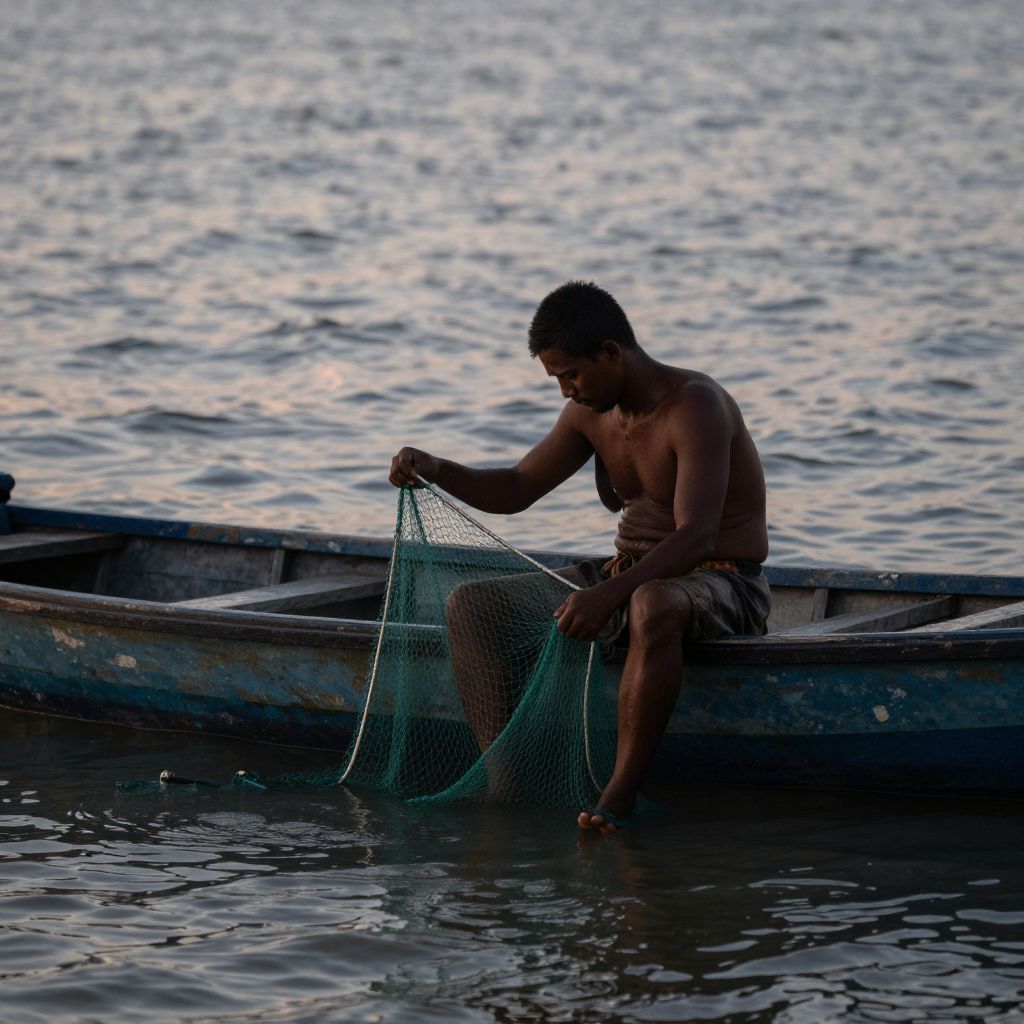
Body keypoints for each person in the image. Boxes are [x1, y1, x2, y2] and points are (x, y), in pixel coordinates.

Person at [389, 281, 770, 833]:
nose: (566, 391)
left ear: (611, 353)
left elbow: (698, 536)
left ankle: (617, 797)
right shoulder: (591, 413)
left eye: (572, 375)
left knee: (652, 604)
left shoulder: (695, 406)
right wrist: (439, 468)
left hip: (721, 581)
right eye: (556, 379)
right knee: (472, 606)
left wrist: (607, 595)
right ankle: (506, 783)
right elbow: (517, 487)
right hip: (626, 575)